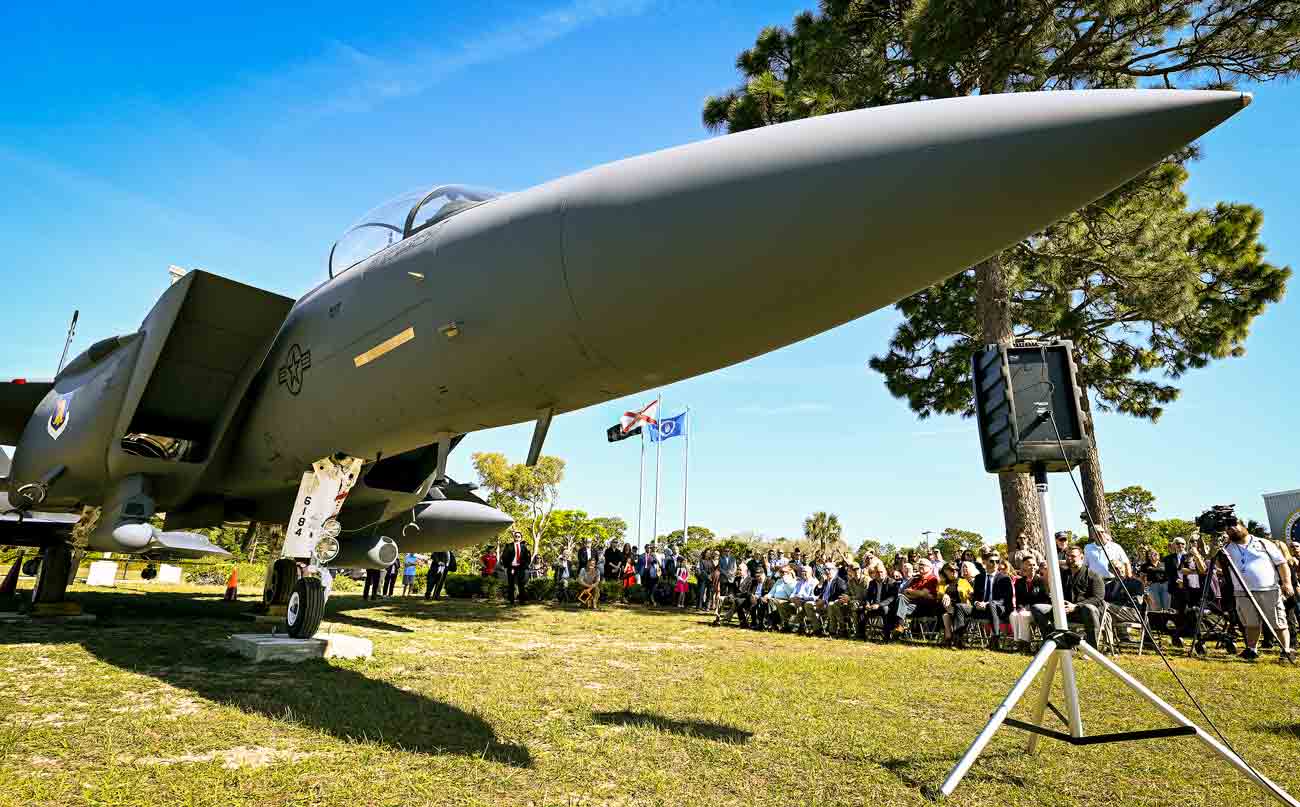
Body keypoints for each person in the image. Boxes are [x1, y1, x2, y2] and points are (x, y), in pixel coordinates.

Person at [1223, 523, 1295, 662]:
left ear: (1244, 527)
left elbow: (1281, 563)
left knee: (1278, 622)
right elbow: (1219, 565)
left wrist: (1287, 583)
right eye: (1228, 528)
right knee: (1250, 623)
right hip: (1242, 591)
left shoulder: (1264, 543)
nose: (1232, 529)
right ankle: (1251, 650)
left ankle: (1285, 650)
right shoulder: (1227, 548)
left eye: (1234, 526)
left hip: (1268, 589)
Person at [1030, 544, 1105, 649]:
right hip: (1063, 610)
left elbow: (1098, 598)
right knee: (1037, 608)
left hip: (1083, 612)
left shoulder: (1094, 576)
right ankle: (1055, 641)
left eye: (1073, 556)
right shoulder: (1062, 574)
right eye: (1067, 556)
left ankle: (1092, 647)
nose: (1069, 559)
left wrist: (1076, 606)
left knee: (1089, 608)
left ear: (1082, 557)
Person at [971, 551, 1013, 649]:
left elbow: (1006, 599)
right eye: (992, 561)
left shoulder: (1004, 578)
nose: (995, 564)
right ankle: (956, 639)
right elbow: (975, 596)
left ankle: (995, 638)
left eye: (997, 561)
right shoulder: (979, 577)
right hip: (981, 608)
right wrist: (976, 602)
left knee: (991, 605)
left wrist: (987, 603)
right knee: (960, 607)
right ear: (985, 562)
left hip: (1000, 609)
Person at [891, 558, 941, 637]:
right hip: (913, 606)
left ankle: (898, 627)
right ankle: (898, 627)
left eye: (923, 565)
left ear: (930, 568)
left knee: (900, 604)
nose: (920, 566)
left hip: (926, 607)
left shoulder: (932, 579)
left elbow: (924, 594)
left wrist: (915, 593)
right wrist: (918, 593)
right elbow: (905, 592)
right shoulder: (916, 579)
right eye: (919, 565)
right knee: (899, 599)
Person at [939, 562, 975, 647]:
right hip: (946, 605)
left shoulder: (964, 581)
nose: (954, 571)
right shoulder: (942, 583)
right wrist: (944, 595)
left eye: (956, 570)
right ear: (946, 571)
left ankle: (948, 637)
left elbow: (971, 593)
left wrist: (969, 595)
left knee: (946, 615)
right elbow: (939, 593)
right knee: (945, 607)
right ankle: (952, 637)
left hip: (960, 607)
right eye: (951, 570)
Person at [828, 562, 865, 637]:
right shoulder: (850, 582)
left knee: (853, 605)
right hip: (852, 601)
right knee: (835, 604)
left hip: (863, 602)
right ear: (850, 571)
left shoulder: (866, 580)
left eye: (857, 570)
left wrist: (850, 598)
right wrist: (844, 598)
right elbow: (847, 593)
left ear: (860, 570)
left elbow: (864, 595)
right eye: (853, 570)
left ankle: (858, 632)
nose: (856, 572)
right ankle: (843, 628)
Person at [782, 565, 818, 633]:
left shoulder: (814, 582)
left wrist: (802, 598)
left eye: (805, 571)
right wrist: (792, 598)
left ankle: (797, 625)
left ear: (810, 573)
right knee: (784, 604)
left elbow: (815, 597)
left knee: (801, 607)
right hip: (796, 601)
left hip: (807, 601)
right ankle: (788, 625)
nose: (803, 573)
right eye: (802, 571)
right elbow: (793, 593)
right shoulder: (799, 582)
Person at [500, 531, 531, 605]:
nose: (517, 537)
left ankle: (522, 601)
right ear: (514, 537)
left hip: (521, 568)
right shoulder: (509, 546)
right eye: (516, 536)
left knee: (521, 585)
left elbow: (528, 557)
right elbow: (504, 556)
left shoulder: (524, 546)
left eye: (518, 536)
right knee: (511, 584)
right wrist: (506, 566)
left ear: (521, 538)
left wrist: (526, 566)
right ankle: (511, 601)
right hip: (512, 568)